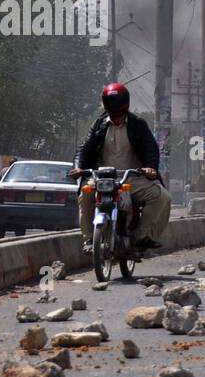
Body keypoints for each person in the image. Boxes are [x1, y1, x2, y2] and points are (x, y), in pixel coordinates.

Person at [69, 83, 171, 252]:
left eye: (119, 112)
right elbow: (84, 148)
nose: (116, 118)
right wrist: (79, 167)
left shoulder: (138, 124)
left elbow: (151, 148)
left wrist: (150, 168)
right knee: (85, 194)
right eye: (112, 112)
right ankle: (88, 241)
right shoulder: (98, 124)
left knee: (163, 197)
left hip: (131, 178)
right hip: (101, 178)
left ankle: (141, 236)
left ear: (126, 107)